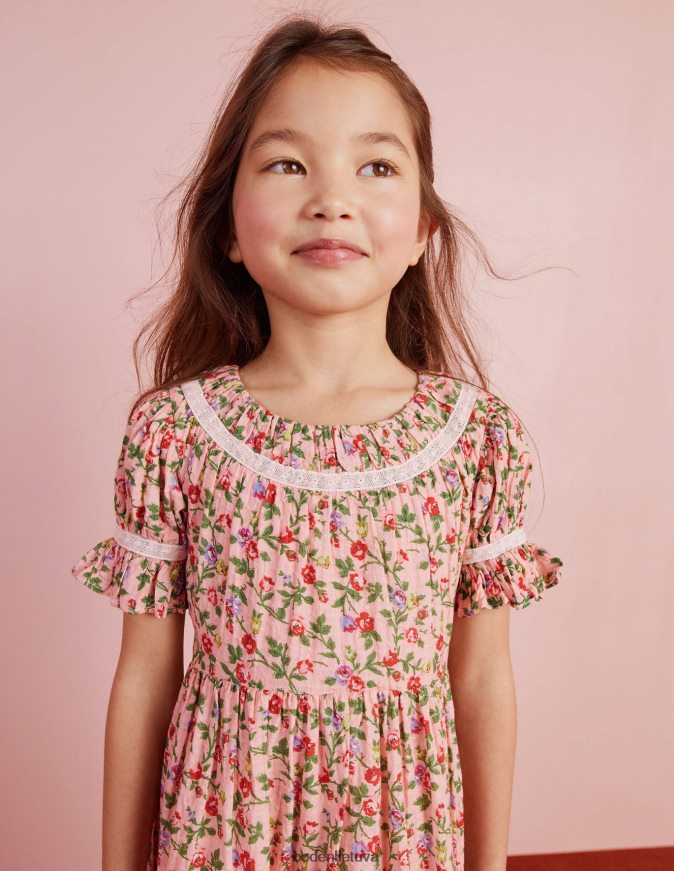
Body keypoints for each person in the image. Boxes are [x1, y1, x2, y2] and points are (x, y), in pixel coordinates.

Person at [70, 14, 564, 871]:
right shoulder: (174, 434)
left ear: (422, 229)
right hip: (222, 839)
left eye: (376, 166)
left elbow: (483, 680)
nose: (331, 199)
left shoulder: (478, 441)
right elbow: (145, 676)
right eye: (287, 164)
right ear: (228, 227)